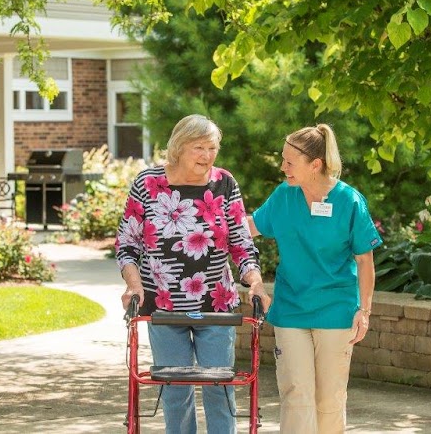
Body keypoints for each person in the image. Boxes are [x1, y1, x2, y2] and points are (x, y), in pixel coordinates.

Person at [116, 114, 271, 434]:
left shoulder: (225, 183)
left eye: (212, 147)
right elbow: (127, 244)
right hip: (161, 304)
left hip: (215, 304)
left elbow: (242, 244)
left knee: (220, 387)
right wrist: (133, 286)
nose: (207, 155)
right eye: (198, 147)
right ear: (177, 148)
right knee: (174, 390)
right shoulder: (147, 184)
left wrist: (255, 282)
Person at [248, 124, 382, 434]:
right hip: (291, 309)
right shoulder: (284, 195)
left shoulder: (349, 201)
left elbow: (365, 260)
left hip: (336, 311)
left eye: (289, 162)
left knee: (330, 398)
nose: (283, 167)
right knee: (296, 393)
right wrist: (209, 221)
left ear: (315, 164)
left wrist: (365, 310)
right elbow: (252, 225)